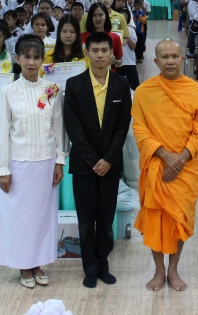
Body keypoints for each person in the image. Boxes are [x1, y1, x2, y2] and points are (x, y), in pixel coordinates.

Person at [131, 39, 198, 292]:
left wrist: (180, 159)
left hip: (185, 168)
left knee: (179, 219)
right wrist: (165, 155)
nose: (171, 61)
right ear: (156, 61)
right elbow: (140, 129)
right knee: (155, 219)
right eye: (165, 57)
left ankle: (173, 270)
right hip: (156, 164)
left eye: (175, 56)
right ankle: (159, 270)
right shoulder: (144, 92)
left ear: (182, 59)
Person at [0, 35, 67, 289]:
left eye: (36, 57)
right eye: (26, 57)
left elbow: (58, 126)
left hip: (46, 163)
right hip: (18, 164)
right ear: (17, 59)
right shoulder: (8, 92)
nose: (31, 62)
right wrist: (3, 168)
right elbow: (2, 131)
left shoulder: (52, 90)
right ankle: (23, 264)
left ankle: (38, 263)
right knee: (20, 217)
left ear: (43, 60)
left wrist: (59, 161)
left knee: (41, 217)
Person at [62, 32, 133, 288]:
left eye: (105, 50)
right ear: (87, 53)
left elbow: (123, 126)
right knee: (86, 220)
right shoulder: (74, 85)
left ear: (112, 54)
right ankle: (89, 269)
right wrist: (94, 160)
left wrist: (108, 159)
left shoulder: (121, 84)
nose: (100, 55)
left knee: (105, 219)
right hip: (84, 165)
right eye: (95, 51)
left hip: (111, 166)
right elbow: (74, 128)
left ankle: (103, 265)